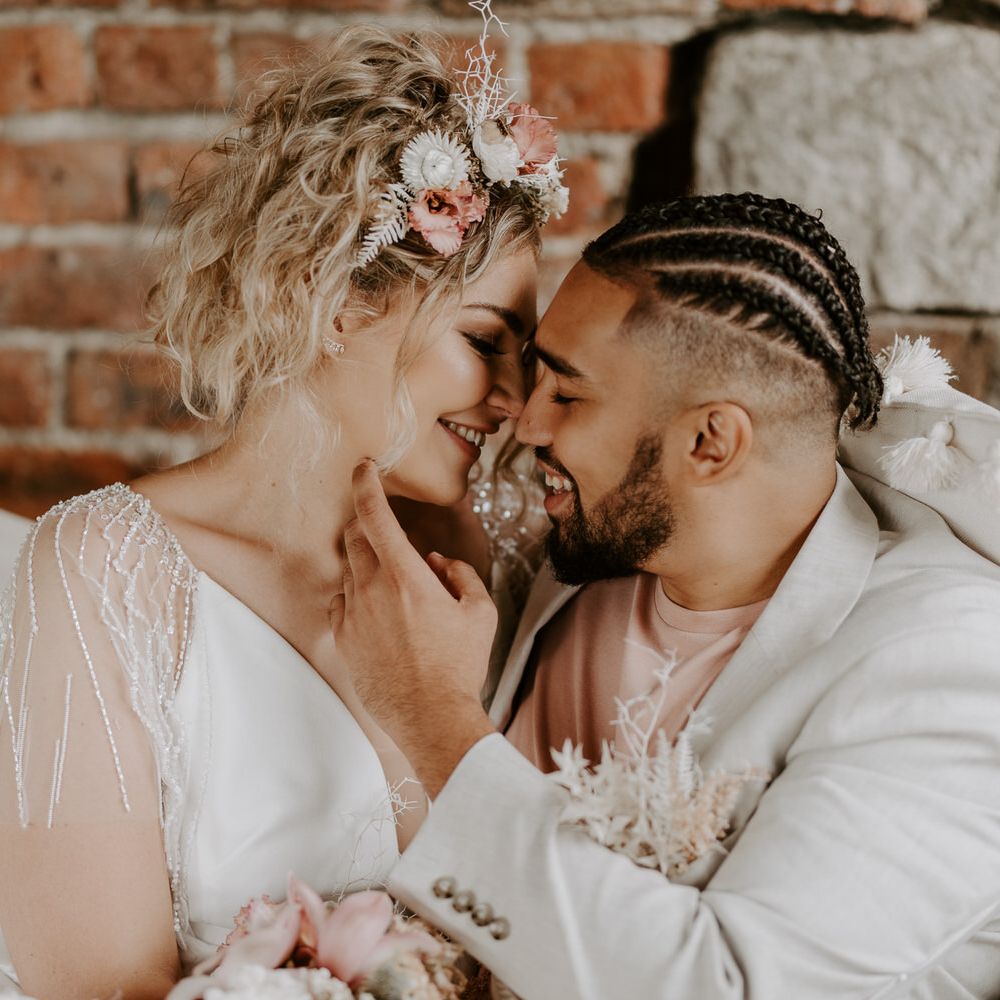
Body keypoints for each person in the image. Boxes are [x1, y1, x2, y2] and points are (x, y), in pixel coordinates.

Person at [0, 23, 569, 997]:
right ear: (337, 297)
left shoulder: (481, 572)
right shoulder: (108, 570)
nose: (516, 396)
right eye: (487, 338)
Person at [332, 194, 1000, 999]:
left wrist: (432, 716)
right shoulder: (585, 562)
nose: (526, 422)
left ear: (710, 442)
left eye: (568, 395)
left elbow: (722, 984)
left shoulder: (947, 665)